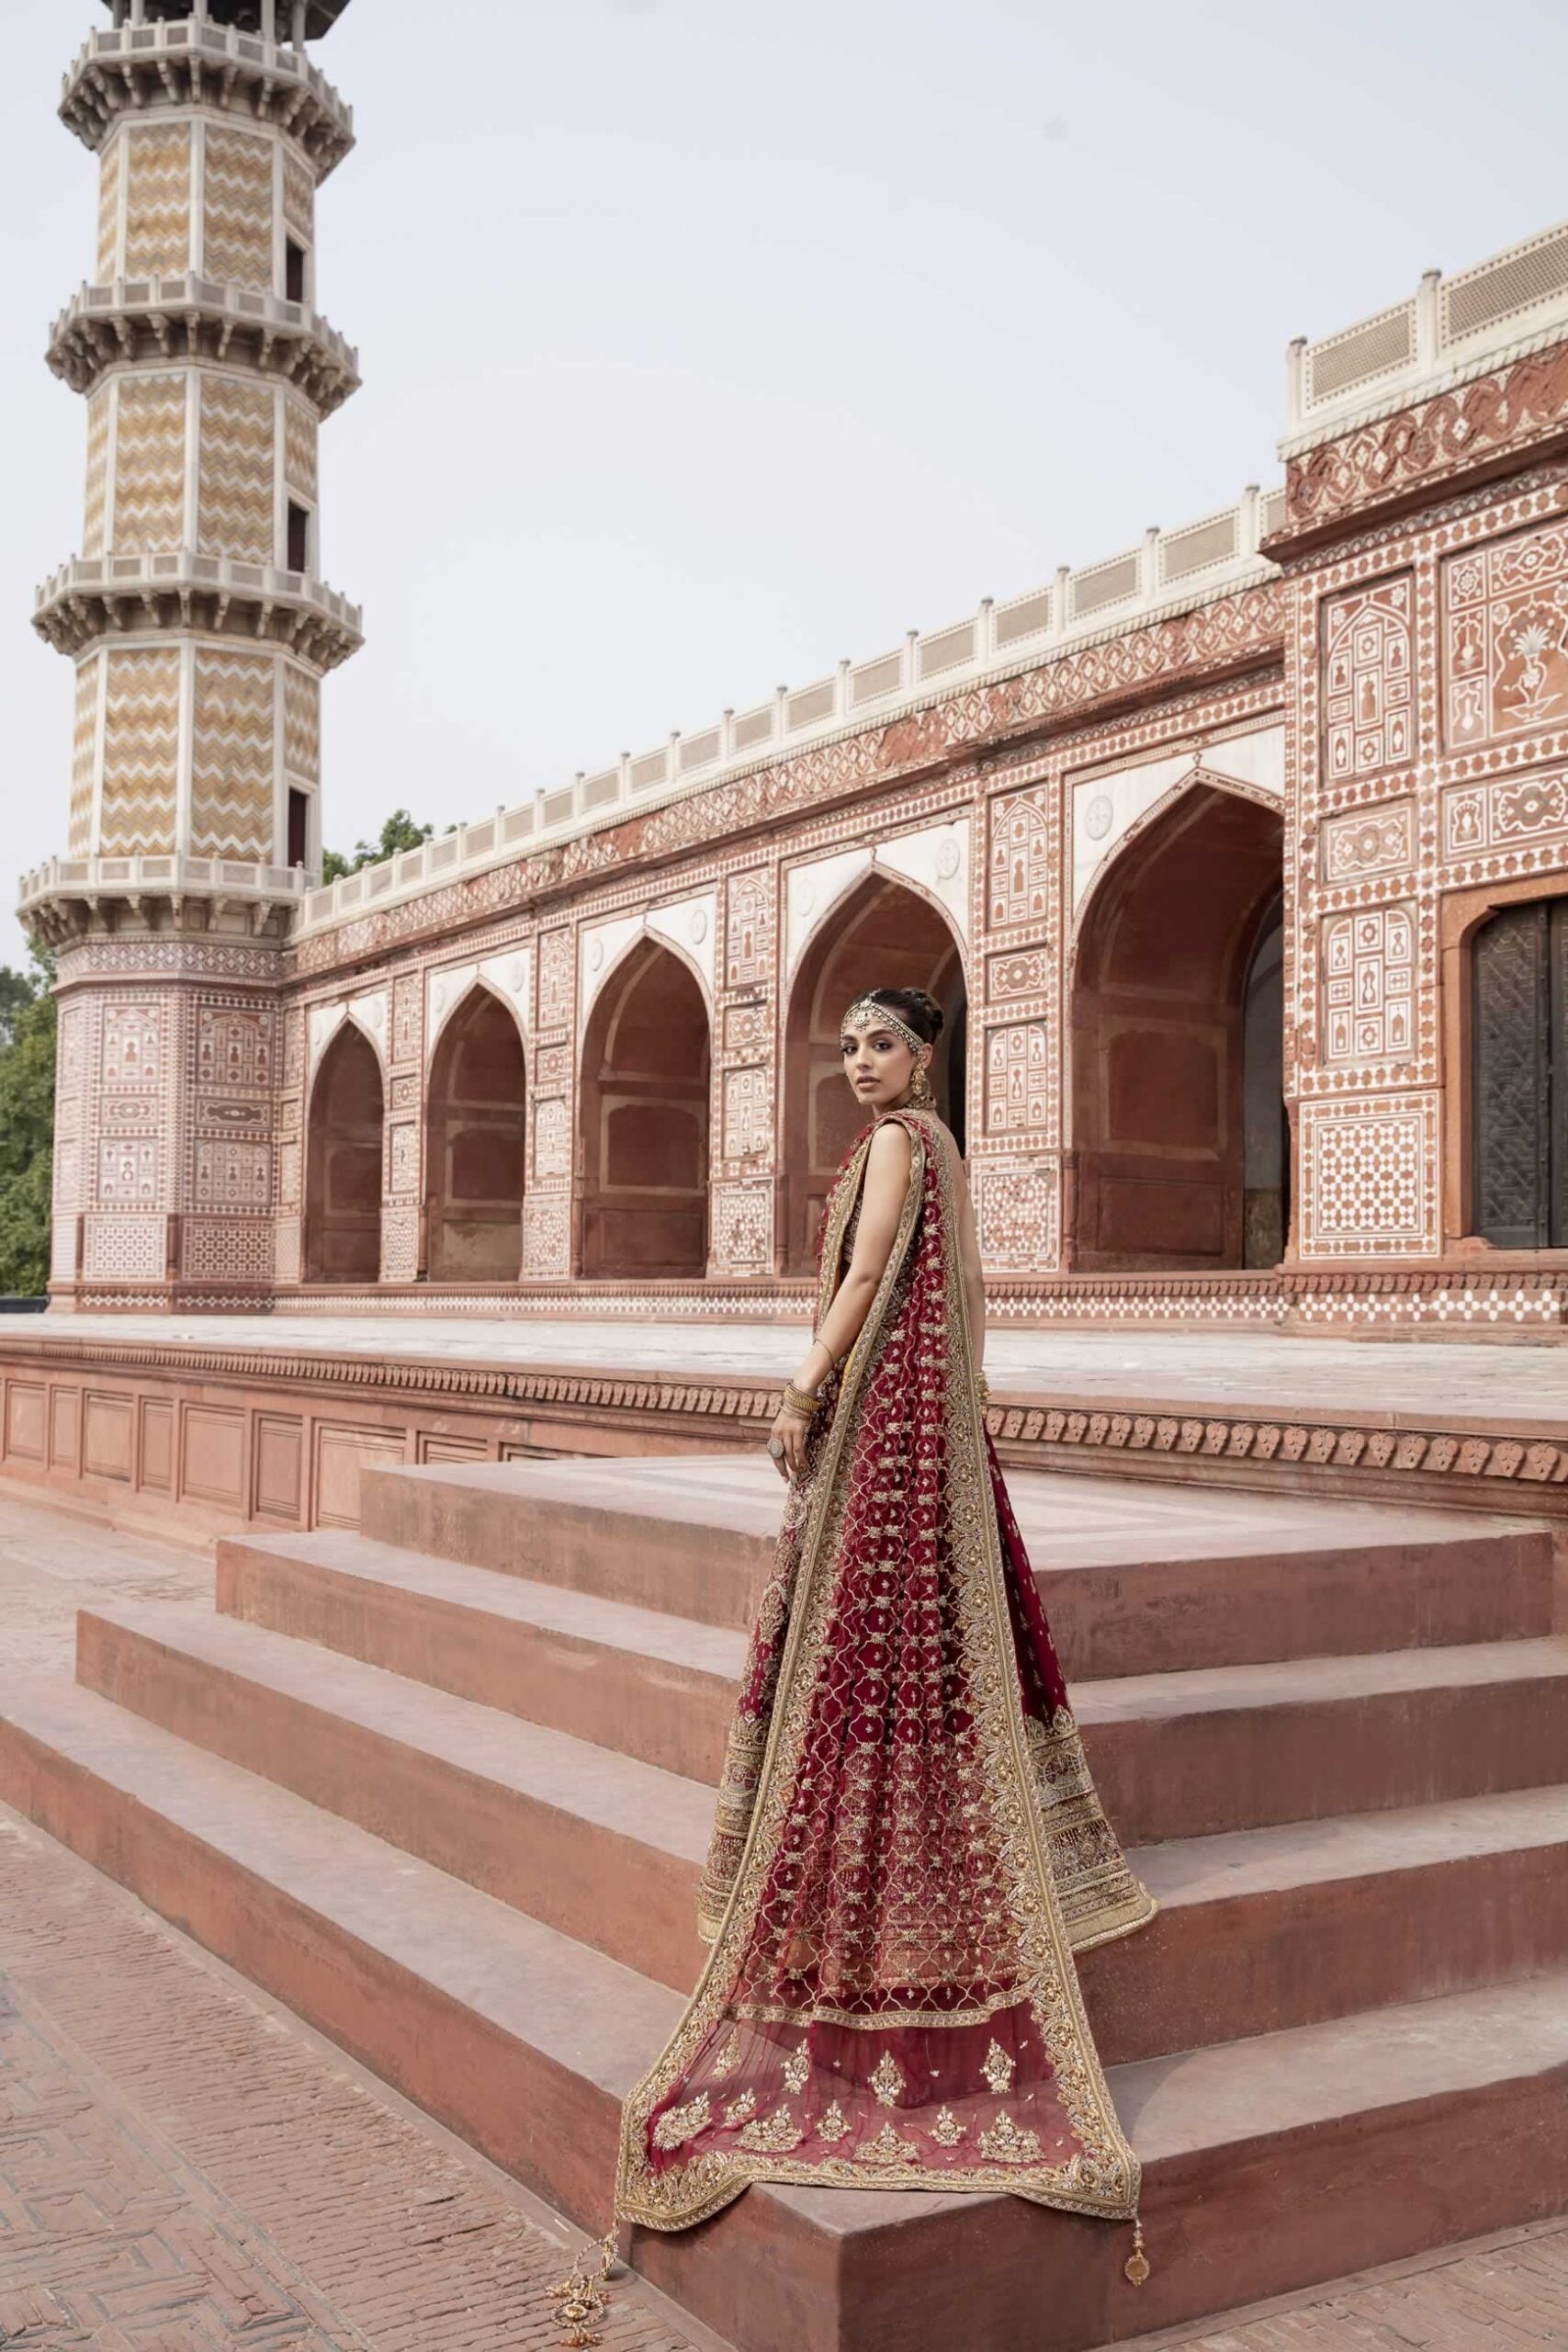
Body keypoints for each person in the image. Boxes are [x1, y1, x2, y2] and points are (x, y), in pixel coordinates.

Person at [551, 987, 1155, 2346]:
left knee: (854, 1642)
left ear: (924, 1053)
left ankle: (863, 1890)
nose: (861, 1065)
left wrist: (803, 1384)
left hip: (883, 1416)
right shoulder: (938, 1147)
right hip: (924, 1426)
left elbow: (872, 1274)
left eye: (879, 1044)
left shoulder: (899, 1148)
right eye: (849, 1049)